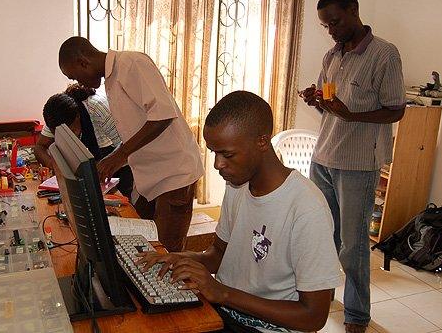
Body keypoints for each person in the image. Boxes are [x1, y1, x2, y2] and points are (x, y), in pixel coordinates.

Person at [137, 91, 342, 333]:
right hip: (224, 313)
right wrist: (180, 259)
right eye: (214, 152)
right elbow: (219, 254)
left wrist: (222, 293)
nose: (217, 164)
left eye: (227, 154)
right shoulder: (237, 185)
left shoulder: (307, 209)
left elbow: (313, 317)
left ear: (262, 142)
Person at [300, 0, 405, 333]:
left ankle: (357, 316)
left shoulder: (385, 55)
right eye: (326, 25)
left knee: (353, 244)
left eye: (335, 21)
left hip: (358, 164)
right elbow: (327, 100)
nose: (331, 30)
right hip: (324, 156)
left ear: (354, 10)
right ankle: (322, 295)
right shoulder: (332, 55)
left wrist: (352, 115)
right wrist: (314, 100)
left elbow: (396, 110)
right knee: (322, 235)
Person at [58, 37, 204, 252]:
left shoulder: (131, 64)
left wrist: (120, 155)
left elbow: (162, 115)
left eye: (74, 76)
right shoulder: (110, 80)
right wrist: (114, 159)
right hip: (151, 177)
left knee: (165, 253)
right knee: (138, 243)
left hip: (174, 175)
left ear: (83, 62)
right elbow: (136, 131)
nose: (78, 83)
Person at [36, 88, 134, 198]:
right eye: (59, 135)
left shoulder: (98, 109)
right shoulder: (56, 115)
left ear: (78, 117)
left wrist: (108, 163)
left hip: (123, 163)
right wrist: (53, 165)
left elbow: (128, 146)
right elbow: (40, 147)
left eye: (71, 131)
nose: (68, 138)